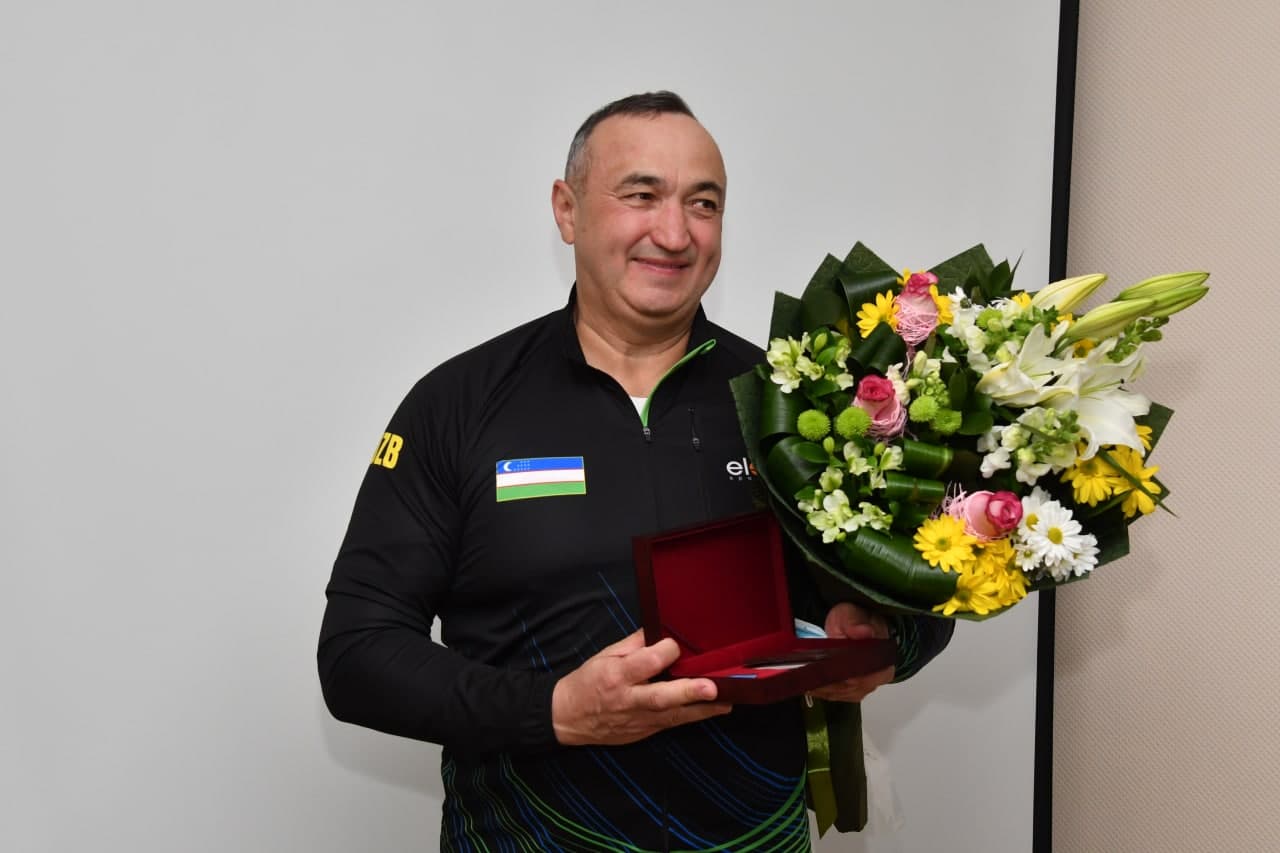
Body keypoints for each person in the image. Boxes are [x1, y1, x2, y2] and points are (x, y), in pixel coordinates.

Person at [318, 91, 953, 851]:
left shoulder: (798, 402)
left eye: (703, 203)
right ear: (567, 209)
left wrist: (880, 642)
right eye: (641, 195)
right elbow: (357, 653)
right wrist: (554, 709)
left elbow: (922, 594)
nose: (676, 233)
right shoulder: (458, 403)